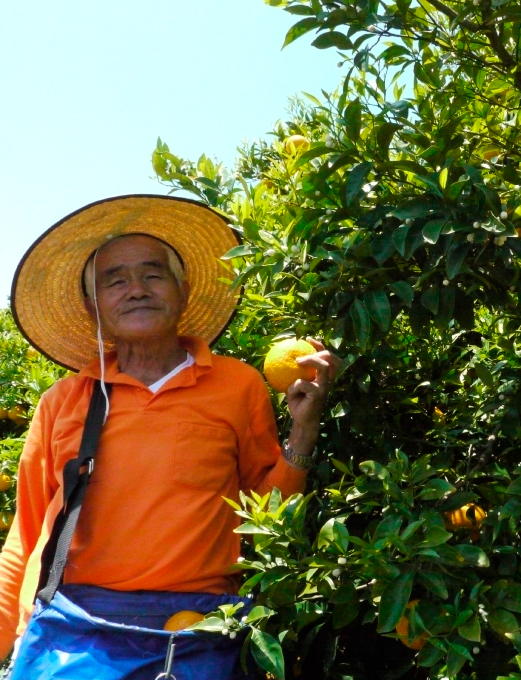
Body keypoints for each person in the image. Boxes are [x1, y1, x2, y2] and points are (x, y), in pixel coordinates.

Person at [0, 195, 338, 678]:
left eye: (152, 274)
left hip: (200, 627)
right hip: (76, 631)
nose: (135, 289)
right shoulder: (64, 400)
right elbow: (28, 531)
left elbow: (268, 517)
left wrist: (304, 429)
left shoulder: (236, 385)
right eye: (114, 280)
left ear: (182, 290)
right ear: (93, 307)